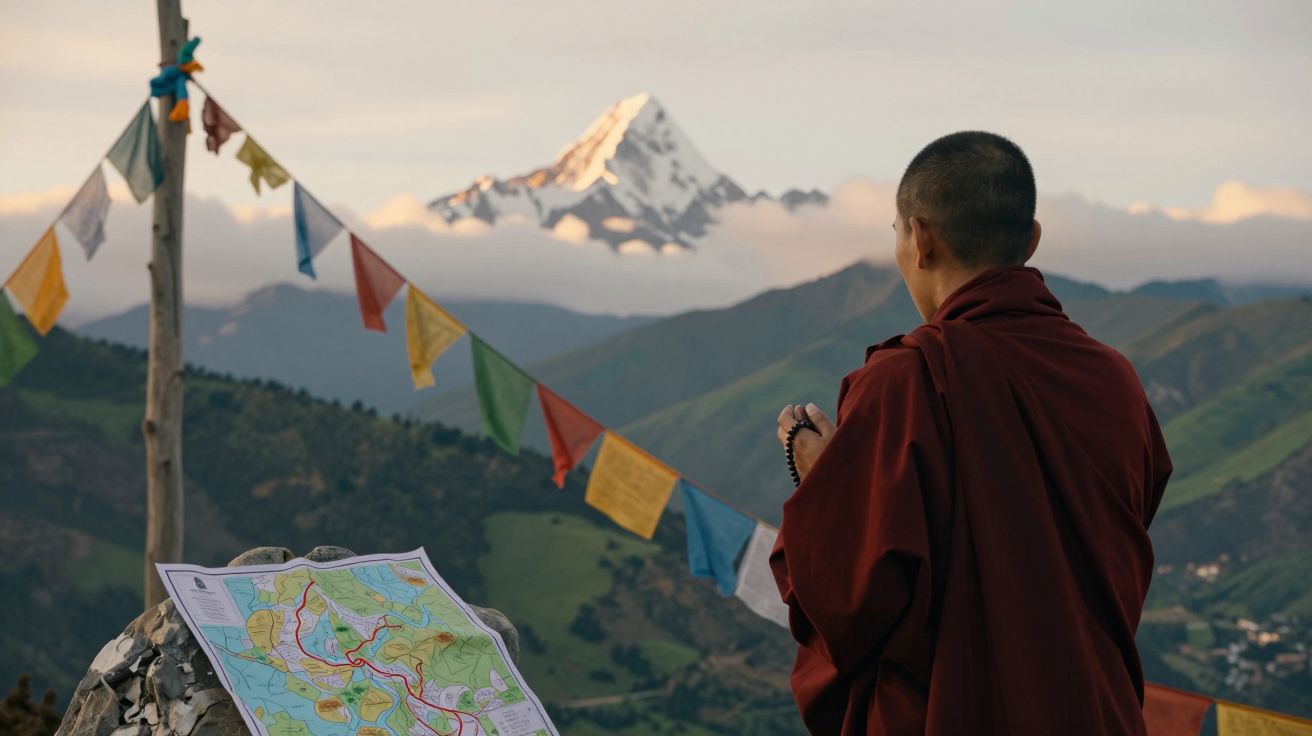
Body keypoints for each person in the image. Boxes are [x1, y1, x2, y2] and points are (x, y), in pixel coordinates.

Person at [770, 131, 1172, 735]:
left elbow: (853, 604)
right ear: (1031, 240)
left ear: (919, 238)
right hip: (1095, 711)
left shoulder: (905, 382)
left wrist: (821, 482)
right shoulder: (1115, 381)